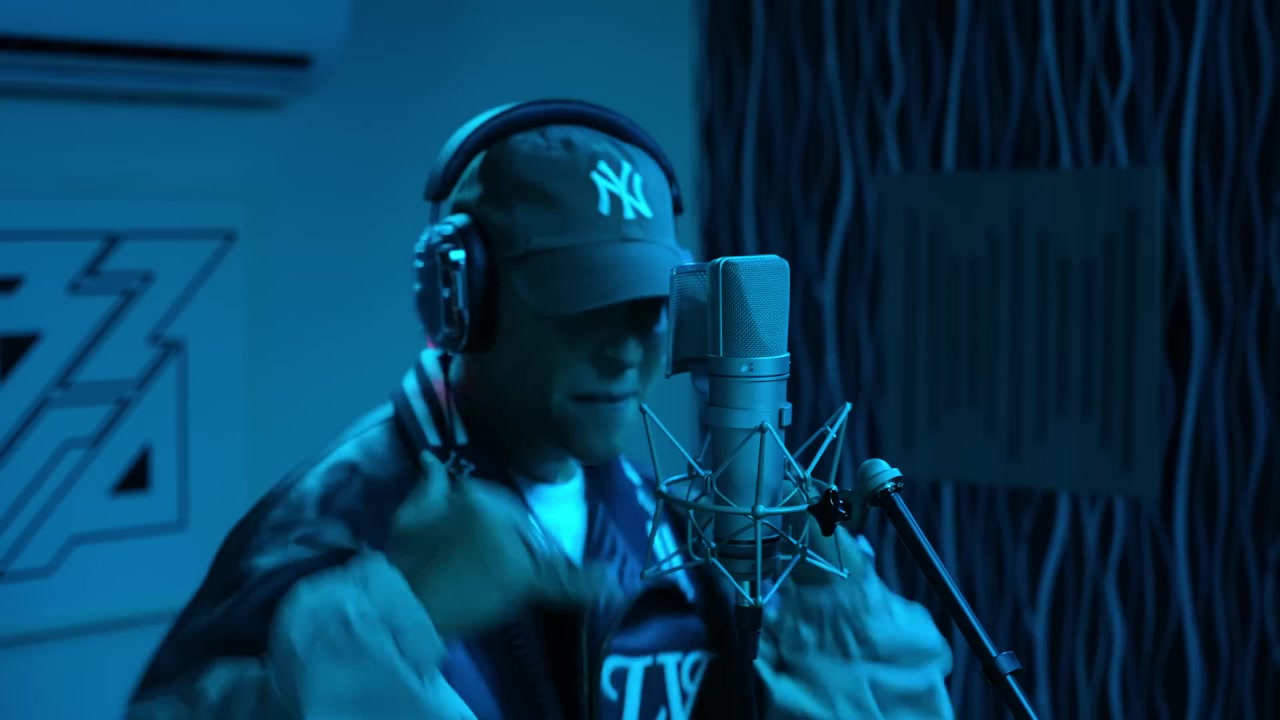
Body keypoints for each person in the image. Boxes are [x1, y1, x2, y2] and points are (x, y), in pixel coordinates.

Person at [125, 100, 955, 720]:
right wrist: (398, 612)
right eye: (583, 304)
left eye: (645, 307)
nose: (626, 350)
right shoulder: (329, 528)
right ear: (462, 300)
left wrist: (827, 593)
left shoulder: (662, 517)